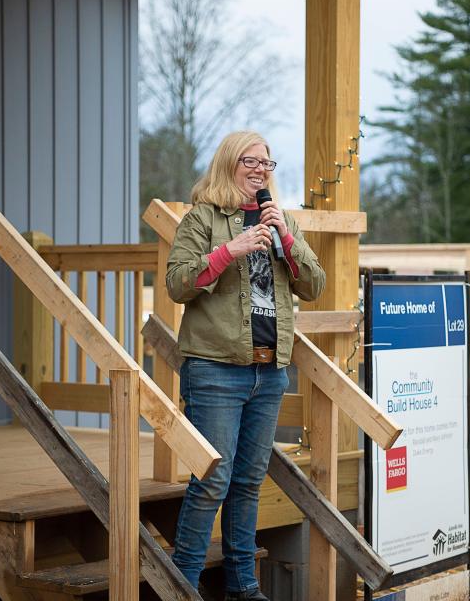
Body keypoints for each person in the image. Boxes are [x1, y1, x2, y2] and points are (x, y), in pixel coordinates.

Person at [166, 130, 325, 600]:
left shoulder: (282, 220)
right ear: (229, 164)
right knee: (211, 481)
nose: (260, 170)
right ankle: (184, 585)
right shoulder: (202, 218)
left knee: (249, 482)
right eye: (250, 162)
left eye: (267, 164)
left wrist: (287, 238)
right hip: (215, 369)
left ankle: (242, 583)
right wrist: (228, 251)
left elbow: (314, 284)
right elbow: (177, 283)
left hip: (268, 370)